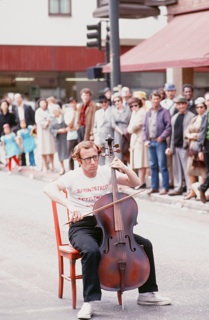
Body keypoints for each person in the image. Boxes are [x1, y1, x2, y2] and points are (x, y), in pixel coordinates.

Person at [43, 140, 172, 320]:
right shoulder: (73, 176)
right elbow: (48, 188)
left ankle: (147, 294)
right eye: (87, 159)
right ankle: (89, 301)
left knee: (145, 245)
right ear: (79, 160)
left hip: (109, 225)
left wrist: (125, 168)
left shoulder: (105, 172)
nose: (93, 162)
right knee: (91, 250)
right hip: (83, 226)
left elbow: (135, 183)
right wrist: (70, 206)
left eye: (95, 157)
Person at [143, 90, 171, 195]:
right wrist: (145, 140)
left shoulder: (165, 111)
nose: (155, 100)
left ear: (160, 99)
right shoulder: (148, 112)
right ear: (150, 100)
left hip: (160, 142)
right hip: (150, 142)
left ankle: (165, 187)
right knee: (153, 165)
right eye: (153, 98)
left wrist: (162, 137)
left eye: (157, 98)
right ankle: (154, 187)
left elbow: (168, 127)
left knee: (162, 165)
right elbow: (144, 127)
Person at [166, 95, 195, 196]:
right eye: (178, 104)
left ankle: (189, 189)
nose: (181, 106)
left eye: (183, 104)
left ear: (186, 104)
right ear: (176, 105)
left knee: (187, 169)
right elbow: (172, 133)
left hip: (185, 146)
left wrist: (188, 145)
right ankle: (178, 188)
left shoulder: (191, 116)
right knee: (176, 169)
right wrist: (170, 146)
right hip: (176, 146)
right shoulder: (174, 117)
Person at [184, 97, 207, 200]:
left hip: (201, 147)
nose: (199, 109)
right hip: (192, 147)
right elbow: (186, 131)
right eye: (197, 107)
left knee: (202, 171)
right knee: (190, 170)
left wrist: (196, 136)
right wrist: (189, 136)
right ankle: (192, 191)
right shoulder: (194, 118)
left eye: (201, 107)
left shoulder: (206, 117)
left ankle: (200, 192)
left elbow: (204, 133)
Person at [127, 97, 149, 188]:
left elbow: (133, 127)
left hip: (140, 139)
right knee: (135, 162)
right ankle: (138, 181)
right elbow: (130, 126)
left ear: (139, 104)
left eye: (135, 105)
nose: (134, 107)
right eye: (131, 106)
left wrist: (130, 129)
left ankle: (141, 182)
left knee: (141, 162)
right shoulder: (134, 112)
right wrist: (130, 128)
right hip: (134, 140)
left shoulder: (142, 112)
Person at [13, 93, 35, 166]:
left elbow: (33, 117)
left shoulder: (28, 107)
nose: (17, 100)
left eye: (18, 98)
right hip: (20, 129)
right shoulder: (15, 109)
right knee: (21, 147)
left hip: (29, 129)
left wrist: (33, 127)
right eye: (16, 98)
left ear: (22, 98)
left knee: (30, 147)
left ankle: (32, 163)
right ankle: (23, 163)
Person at [35, 98, 56, 173]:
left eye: (44, 103)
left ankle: (52, 165)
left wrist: (50, 121)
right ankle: (44, 166)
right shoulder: (38, 112)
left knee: (51, 149)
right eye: (42, 103)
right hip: (42, 132)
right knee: (42, 149)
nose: (43, 104)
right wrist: (47, 122)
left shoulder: (49, 110)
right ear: (39, 104)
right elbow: (39, 121)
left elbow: (53, 119)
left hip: (49, 132)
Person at [93, 95, 113, 165]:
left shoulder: (112, 111)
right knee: (100, 156)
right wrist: (95, 135)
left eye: (105, 102)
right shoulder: (97, 113)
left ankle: (108, 173)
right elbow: (95, 126)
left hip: (109, 137)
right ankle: (101, 172)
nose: (103, 103)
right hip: (99, 138)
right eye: (101, 102)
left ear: (108, 102)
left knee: (109, 157)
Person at [111, 94, 131, 164]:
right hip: (118, 132)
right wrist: (121, 132)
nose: (117, 103)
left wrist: (127, 131)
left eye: (118, 101)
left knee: (127, 150)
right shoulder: (113, 111)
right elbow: (113, 124)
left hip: (127, 131)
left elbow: (130, 120)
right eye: (115, 102)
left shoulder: (127, 109)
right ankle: (120, 170)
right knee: (118, 151)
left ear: (121, 101)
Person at [49, 104, 69, 175]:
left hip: (67, 136)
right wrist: (58, 131)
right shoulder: (52, 120)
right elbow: (50, 129)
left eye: (56, 110)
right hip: (58, 138)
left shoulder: (65, 116)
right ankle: (62, 168)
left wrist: (66, 129)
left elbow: (70, 124)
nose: (55, 112)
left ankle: (70, 168)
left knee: (69, 151)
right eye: (53, 111)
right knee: (60, 153)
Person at [198, 95, 209, 203]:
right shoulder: (205, 115)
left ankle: (203, 188)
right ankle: (203, 188)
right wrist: (200, 149)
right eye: (208, 100)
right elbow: (202, 133)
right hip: (207, 145)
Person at [64, 97, 79, 170]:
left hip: (79, 135)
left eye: (74, 102)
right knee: (71, 155)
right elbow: (69, 125)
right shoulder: (67, 113)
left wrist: (73, 128)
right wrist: (73, 115)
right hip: (71, 136)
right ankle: (71, 171)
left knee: (80, 154)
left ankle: (81, 170)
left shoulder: (80, 111)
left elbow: (79, 125)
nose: (73, 104)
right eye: (71, 103)